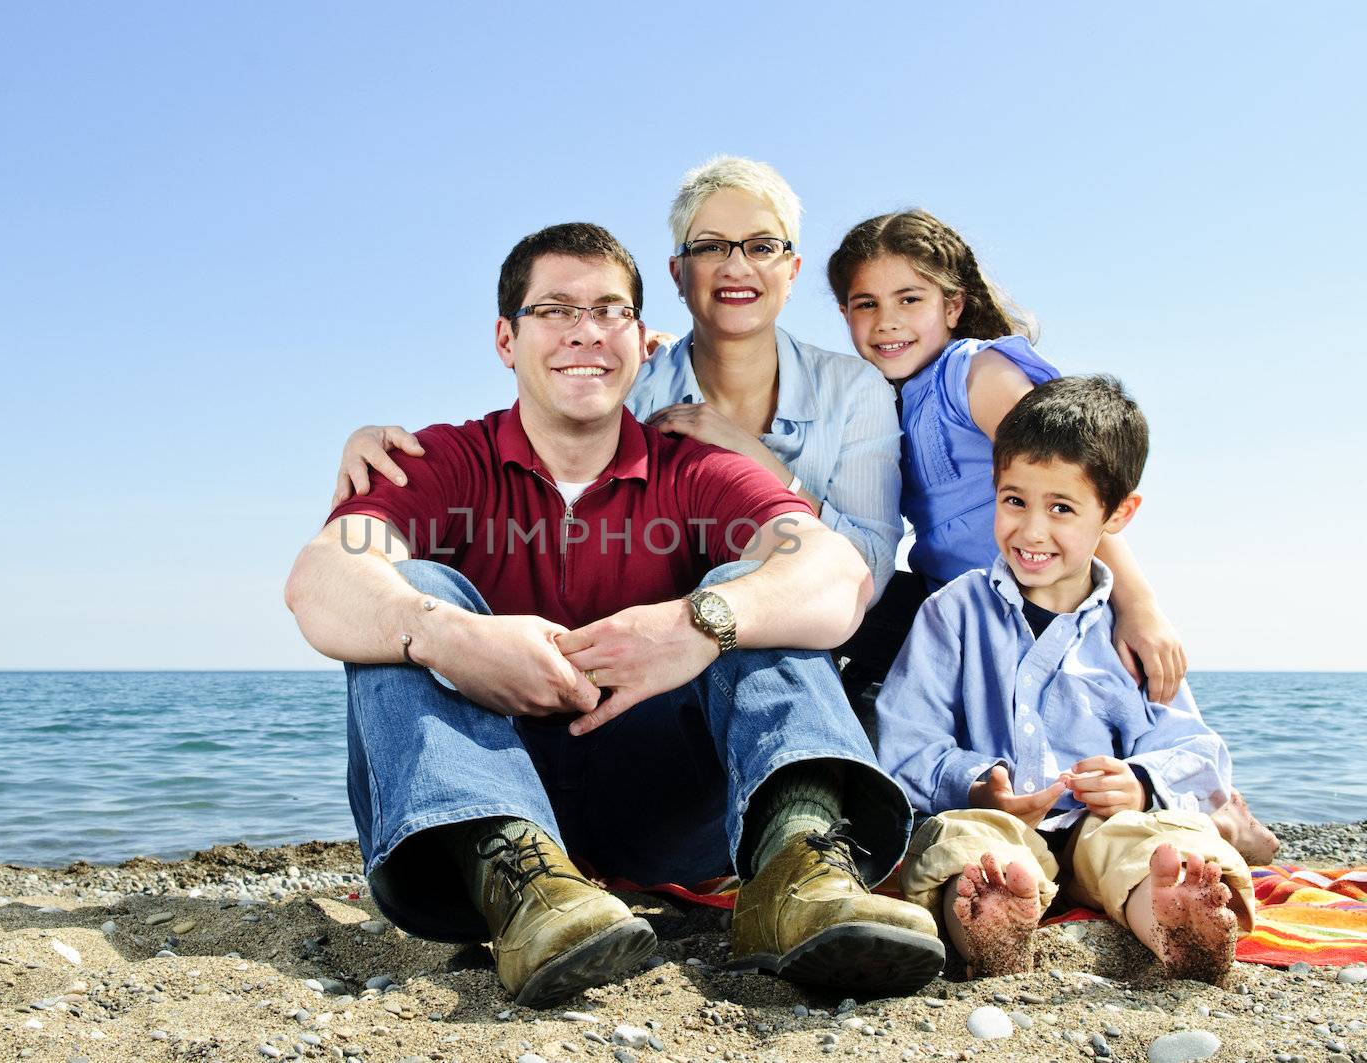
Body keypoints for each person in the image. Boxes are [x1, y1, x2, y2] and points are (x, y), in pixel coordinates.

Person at [285, 222, 942, 1007]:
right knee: (403, 592)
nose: (585, 331)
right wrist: (449, 633)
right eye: (556, 310)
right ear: (506, 337)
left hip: (675, 813)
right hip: (479, 807)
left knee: (757, 590)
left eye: (608, 310)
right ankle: (524, 889)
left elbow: (838, 574)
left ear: (639, 337)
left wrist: (699, 623)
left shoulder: (697, 467)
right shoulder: (439, 462)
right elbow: (321, 576)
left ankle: (799, 873)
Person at [827, 211, 1276, 862]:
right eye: (865, 304)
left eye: (909, 299)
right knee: (828, 614)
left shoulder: (971, 373)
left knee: (1129, 727)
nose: (887, 320)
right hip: (953, 605)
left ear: (953, 305)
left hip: (1042, 591)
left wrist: (1138, 603)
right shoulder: (883, 398)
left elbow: (1072, 473)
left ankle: (1225, 819)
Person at [872, 376, 1254, 983]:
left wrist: (1140, 781)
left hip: (1102, 822)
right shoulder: (954, 611)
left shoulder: (1127, 633)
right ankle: (994, 920)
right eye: (1014, 501)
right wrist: (974, 784)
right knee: (970, 844)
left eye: (1062, 509)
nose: (1031, 531)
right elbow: (904, 739)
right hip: (1005, 821)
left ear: (1118, 513)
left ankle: (1176, 917)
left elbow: (1197, 751)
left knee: (1148, 841)